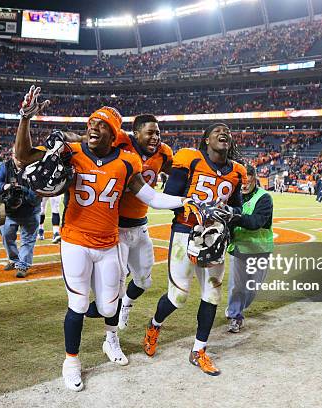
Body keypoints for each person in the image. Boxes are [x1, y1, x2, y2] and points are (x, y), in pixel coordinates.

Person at [14, 86, 190, 392]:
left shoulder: (126, 161)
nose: (94, 128)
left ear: (114, 135)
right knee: (79, 304)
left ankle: (111, 341)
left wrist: (187, 201)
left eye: (102, 125)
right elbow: (23, 156)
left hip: (109, 243)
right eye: (91, 123)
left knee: (110, 307)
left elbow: (151, 196)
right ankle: (71, 361)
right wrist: (25, 120)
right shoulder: (71, 152)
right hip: (76, 241)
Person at [143, 123, 246, 376]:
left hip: (214, 237)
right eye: (217, 131)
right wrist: (197, 208)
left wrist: (227, 212)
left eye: (228, 132)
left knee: (212, 295)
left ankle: (198, 350)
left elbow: (238, 208)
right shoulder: (190, 160)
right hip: (185, 232)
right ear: (206, 139)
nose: (224, 134)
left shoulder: (236, 171)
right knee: (178, 297)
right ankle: (155, 324)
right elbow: (169, 198)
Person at [115, 114, 173, 330]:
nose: (155, 137)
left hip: (140, 225)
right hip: (116, 226)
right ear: (136, 133)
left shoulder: (163, 153)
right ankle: (110, 334)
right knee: (116, 282)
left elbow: (176, 172)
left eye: (158, 133)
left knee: (144, 281)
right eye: (150, 132)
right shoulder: (120, 142)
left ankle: (126, 305)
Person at [226, 164, 273, 333]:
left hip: (260, 249)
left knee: (253, 288)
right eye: (242, 181)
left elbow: (256, 222)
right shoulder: (234, 197)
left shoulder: (264, 198)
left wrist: (234, 217)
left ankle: (237, 308)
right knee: (237, 286)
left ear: (254, 178)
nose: (244, 184)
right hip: (239, 249)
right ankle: (235, 315)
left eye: (248, 180)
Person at [0, 150, 41, 278]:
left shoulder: (36, 168)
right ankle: (13, 259)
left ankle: (23, 265)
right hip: (6, 209)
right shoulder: (5, 166)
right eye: (17, 155)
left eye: (23, 155)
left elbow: (36, 194)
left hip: (30, 209)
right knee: (5, 234)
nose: (21, 159)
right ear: (12, 155)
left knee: (28, 238)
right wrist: (5, 186)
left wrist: (23, 190)